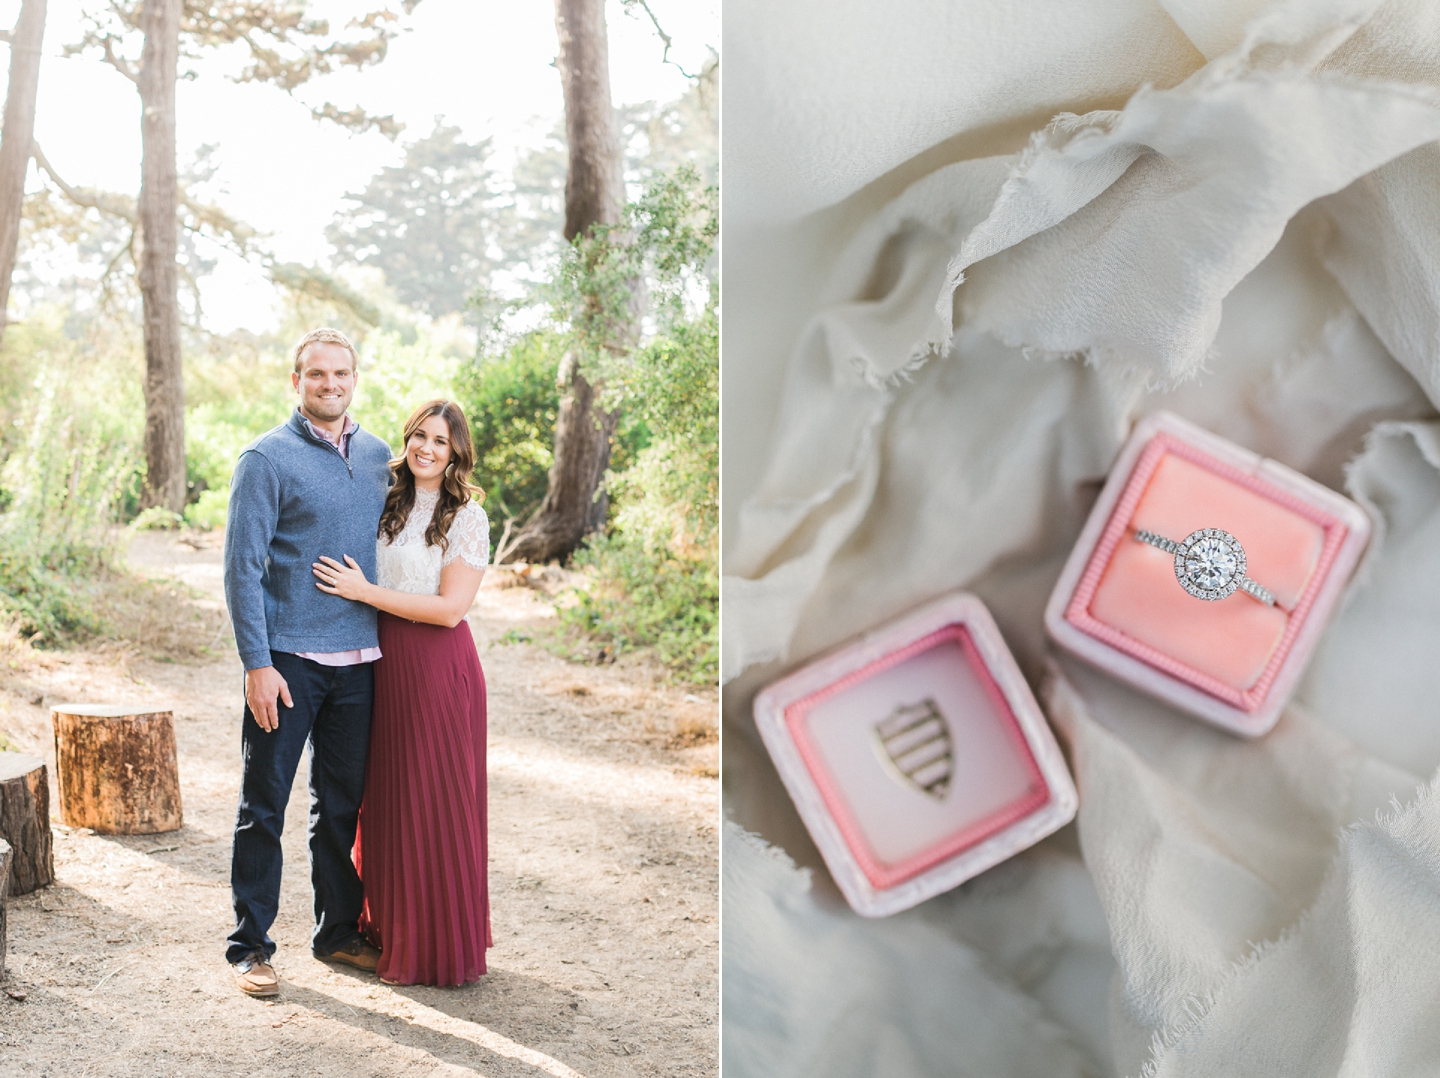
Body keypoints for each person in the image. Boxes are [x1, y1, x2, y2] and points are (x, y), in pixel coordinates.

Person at [222, 327, 392, 997]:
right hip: (288, 661)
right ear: (296, 382)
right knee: (263, 804)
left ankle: (337, 932)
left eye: (340, 373)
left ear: (355, 378)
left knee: (340, 805)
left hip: (361, 662)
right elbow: (242, 568)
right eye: (316, 374)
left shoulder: (380, 456)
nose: (330, 384)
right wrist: (257, 663)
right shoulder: (265, 459)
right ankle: (249, 947)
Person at [311, 399, 493, 986]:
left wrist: (364, 593)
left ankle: (439, 944)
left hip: (437, 670)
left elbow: (448, 610)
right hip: (379, 665)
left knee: (435, 802)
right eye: (420, 436)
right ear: (407, 438)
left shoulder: (466, 516)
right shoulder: (386, 496)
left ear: (456, 452)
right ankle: (390, 931)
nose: (427, 449)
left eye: (441, 442)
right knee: (384, 801)